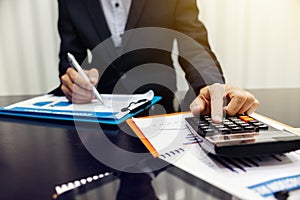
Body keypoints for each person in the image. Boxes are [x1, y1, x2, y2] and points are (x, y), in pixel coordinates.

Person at [56, 0, 259, 120]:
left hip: (160, 109)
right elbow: (70, 56)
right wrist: (73, 80)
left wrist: (212, 88)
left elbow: (193, 48)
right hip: (99, 112)